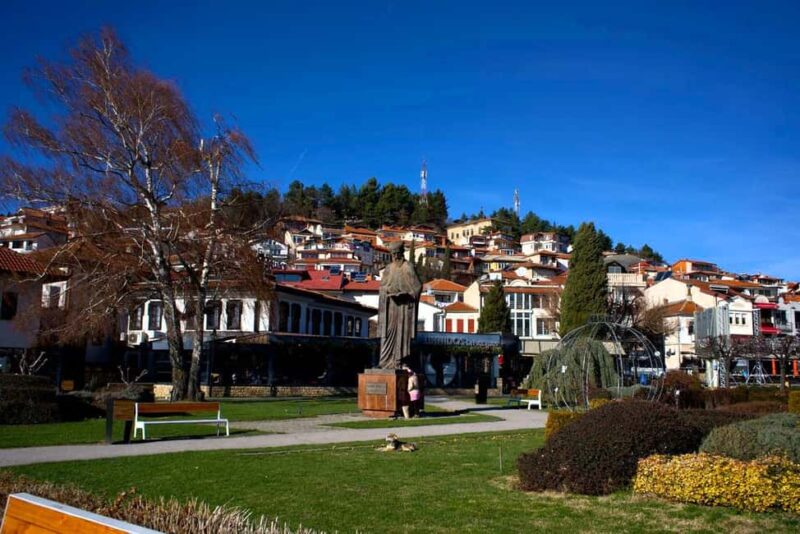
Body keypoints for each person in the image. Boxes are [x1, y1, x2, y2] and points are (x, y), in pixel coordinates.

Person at [377, 242, 422, 370]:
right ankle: (385, 361)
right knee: (388, 332)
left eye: (397, 253)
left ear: (401, 253)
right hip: (391, 306)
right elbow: (382, 286)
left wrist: (409, 294)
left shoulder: (408, 267)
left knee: (402, 333)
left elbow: (417, 286)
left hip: (404, 307)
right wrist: (387, 290)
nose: (395, 256)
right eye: (393, 254)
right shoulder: (389, 268)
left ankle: (399, 360)